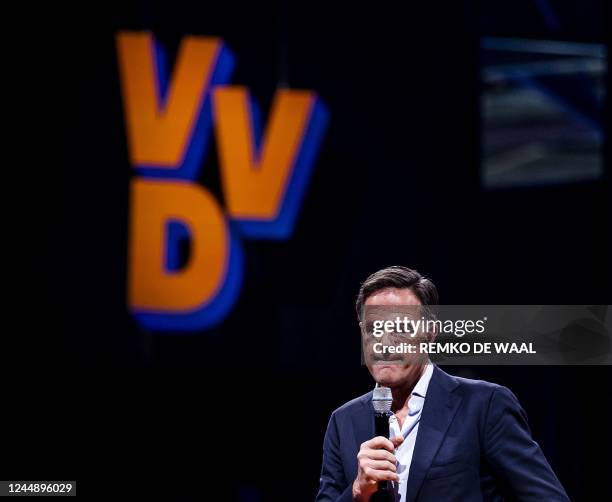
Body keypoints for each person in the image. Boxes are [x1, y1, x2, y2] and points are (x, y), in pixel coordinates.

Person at [315, 266, 569, 501]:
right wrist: (358, 490)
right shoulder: (343, 420)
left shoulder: (483, 405)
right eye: (373, 328)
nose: (384, 342)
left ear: (430, 333)